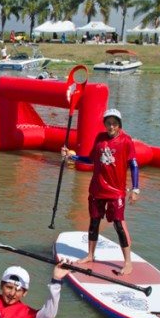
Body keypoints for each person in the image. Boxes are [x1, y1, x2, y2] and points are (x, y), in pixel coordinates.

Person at [61, 108, 140, 275]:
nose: (111, 126)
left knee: (119, 224)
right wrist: (72, 157)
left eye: (114, 123)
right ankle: (90, 255)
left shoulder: (126, 141)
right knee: (94, 221)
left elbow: (133, 164)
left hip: (116, 192)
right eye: (108, 123)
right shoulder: (100, 138)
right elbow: (91, 159)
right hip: (97, 189)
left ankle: (128, 263)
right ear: (104, 124)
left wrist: (135, 189)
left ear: (119, 125)